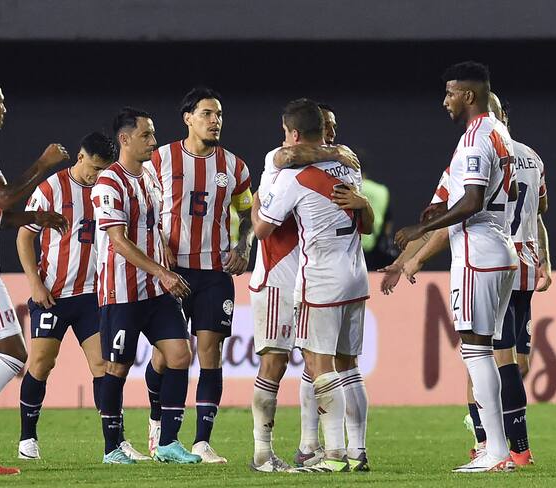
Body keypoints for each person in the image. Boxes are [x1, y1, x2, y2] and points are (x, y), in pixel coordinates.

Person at [387, 94, 552, 467]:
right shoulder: (531, 156)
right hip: (521, 263)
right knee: (511, 362)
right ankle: (515, 445)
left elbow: (453, 217)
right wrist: (547, 259)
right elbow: (540, 210)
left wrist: (410, 261)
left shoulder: (473, 152)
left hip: (484, 258)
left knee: (480, 354)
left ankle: (488, 441)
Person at [395, 62, 518, 473]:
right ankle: (496, 448)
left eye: (450, 93)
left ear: (468, 95)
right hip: (501, 249)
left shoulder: (476, 137)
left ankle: (497, 450)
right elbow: (503, 190)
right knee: (484, 350)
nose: (445, 101)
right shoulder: (500, 133)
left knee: (475, 350)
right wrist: (440, 206)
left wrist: (423, 225)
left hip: (478, 252)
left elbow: (471, 202)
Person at [253, 98, 374, 473]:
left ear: (292, 132)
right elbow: (367, 225)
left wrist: (257, 202)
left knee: (318, 364)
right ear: (321, 131)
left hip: (317, 277)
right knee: (345, 366)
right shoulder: (348, 163)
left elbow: (262, 228)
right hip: (352, 275)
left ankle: (333, 455)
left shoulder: (294, 174)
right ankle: (351, 451)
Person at [15, 132, 148, 461]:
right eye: (95, 167)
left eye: (105, 168)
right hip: (54, 295)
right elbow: (23, 237)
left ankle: (114, 444)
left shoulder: (110, 189)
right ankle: (27, 438)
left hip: (93, 296)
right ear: (80, 157)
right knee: (42, 363)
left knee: (104, 366)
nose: (98, 174)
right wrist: (34, 282)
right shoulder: (51, 189)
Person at [143, 87, 253, 463]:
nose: (215, 120)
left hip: (215, 272)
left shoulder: (235, 167)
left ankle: (202, 441)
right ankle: (157, 421)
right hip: (172, 272)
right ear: (187, 118)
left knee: (211, 352)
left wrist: (244, 246)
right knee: (166, 356)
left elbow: (248, 215)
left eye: (218, 114)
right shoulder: (158, 160)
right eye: (207, 113)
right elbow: (143, 211)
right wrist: (159, 242)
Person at [0, 75, 69, 475]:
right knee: (14, 355)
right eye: (2, 103)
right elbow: (4, 196)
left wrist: (35, 217)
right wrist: (43, 165)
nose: (6, 110)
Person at [92, 107, 199, 465]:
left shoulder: (150, 176)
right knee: (117, 369)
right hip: (122, 293)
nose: (153, 142)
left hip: (156, 291)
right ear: (125, 139)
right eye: (146, 136)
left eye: (153, 135)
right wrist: (164, 272)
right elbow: (118, 241)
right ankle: (112, 447)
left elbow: (151, 225)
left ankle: (167, 442)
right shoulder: (109, 182)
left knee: (180, 355)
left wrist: (164, 250)